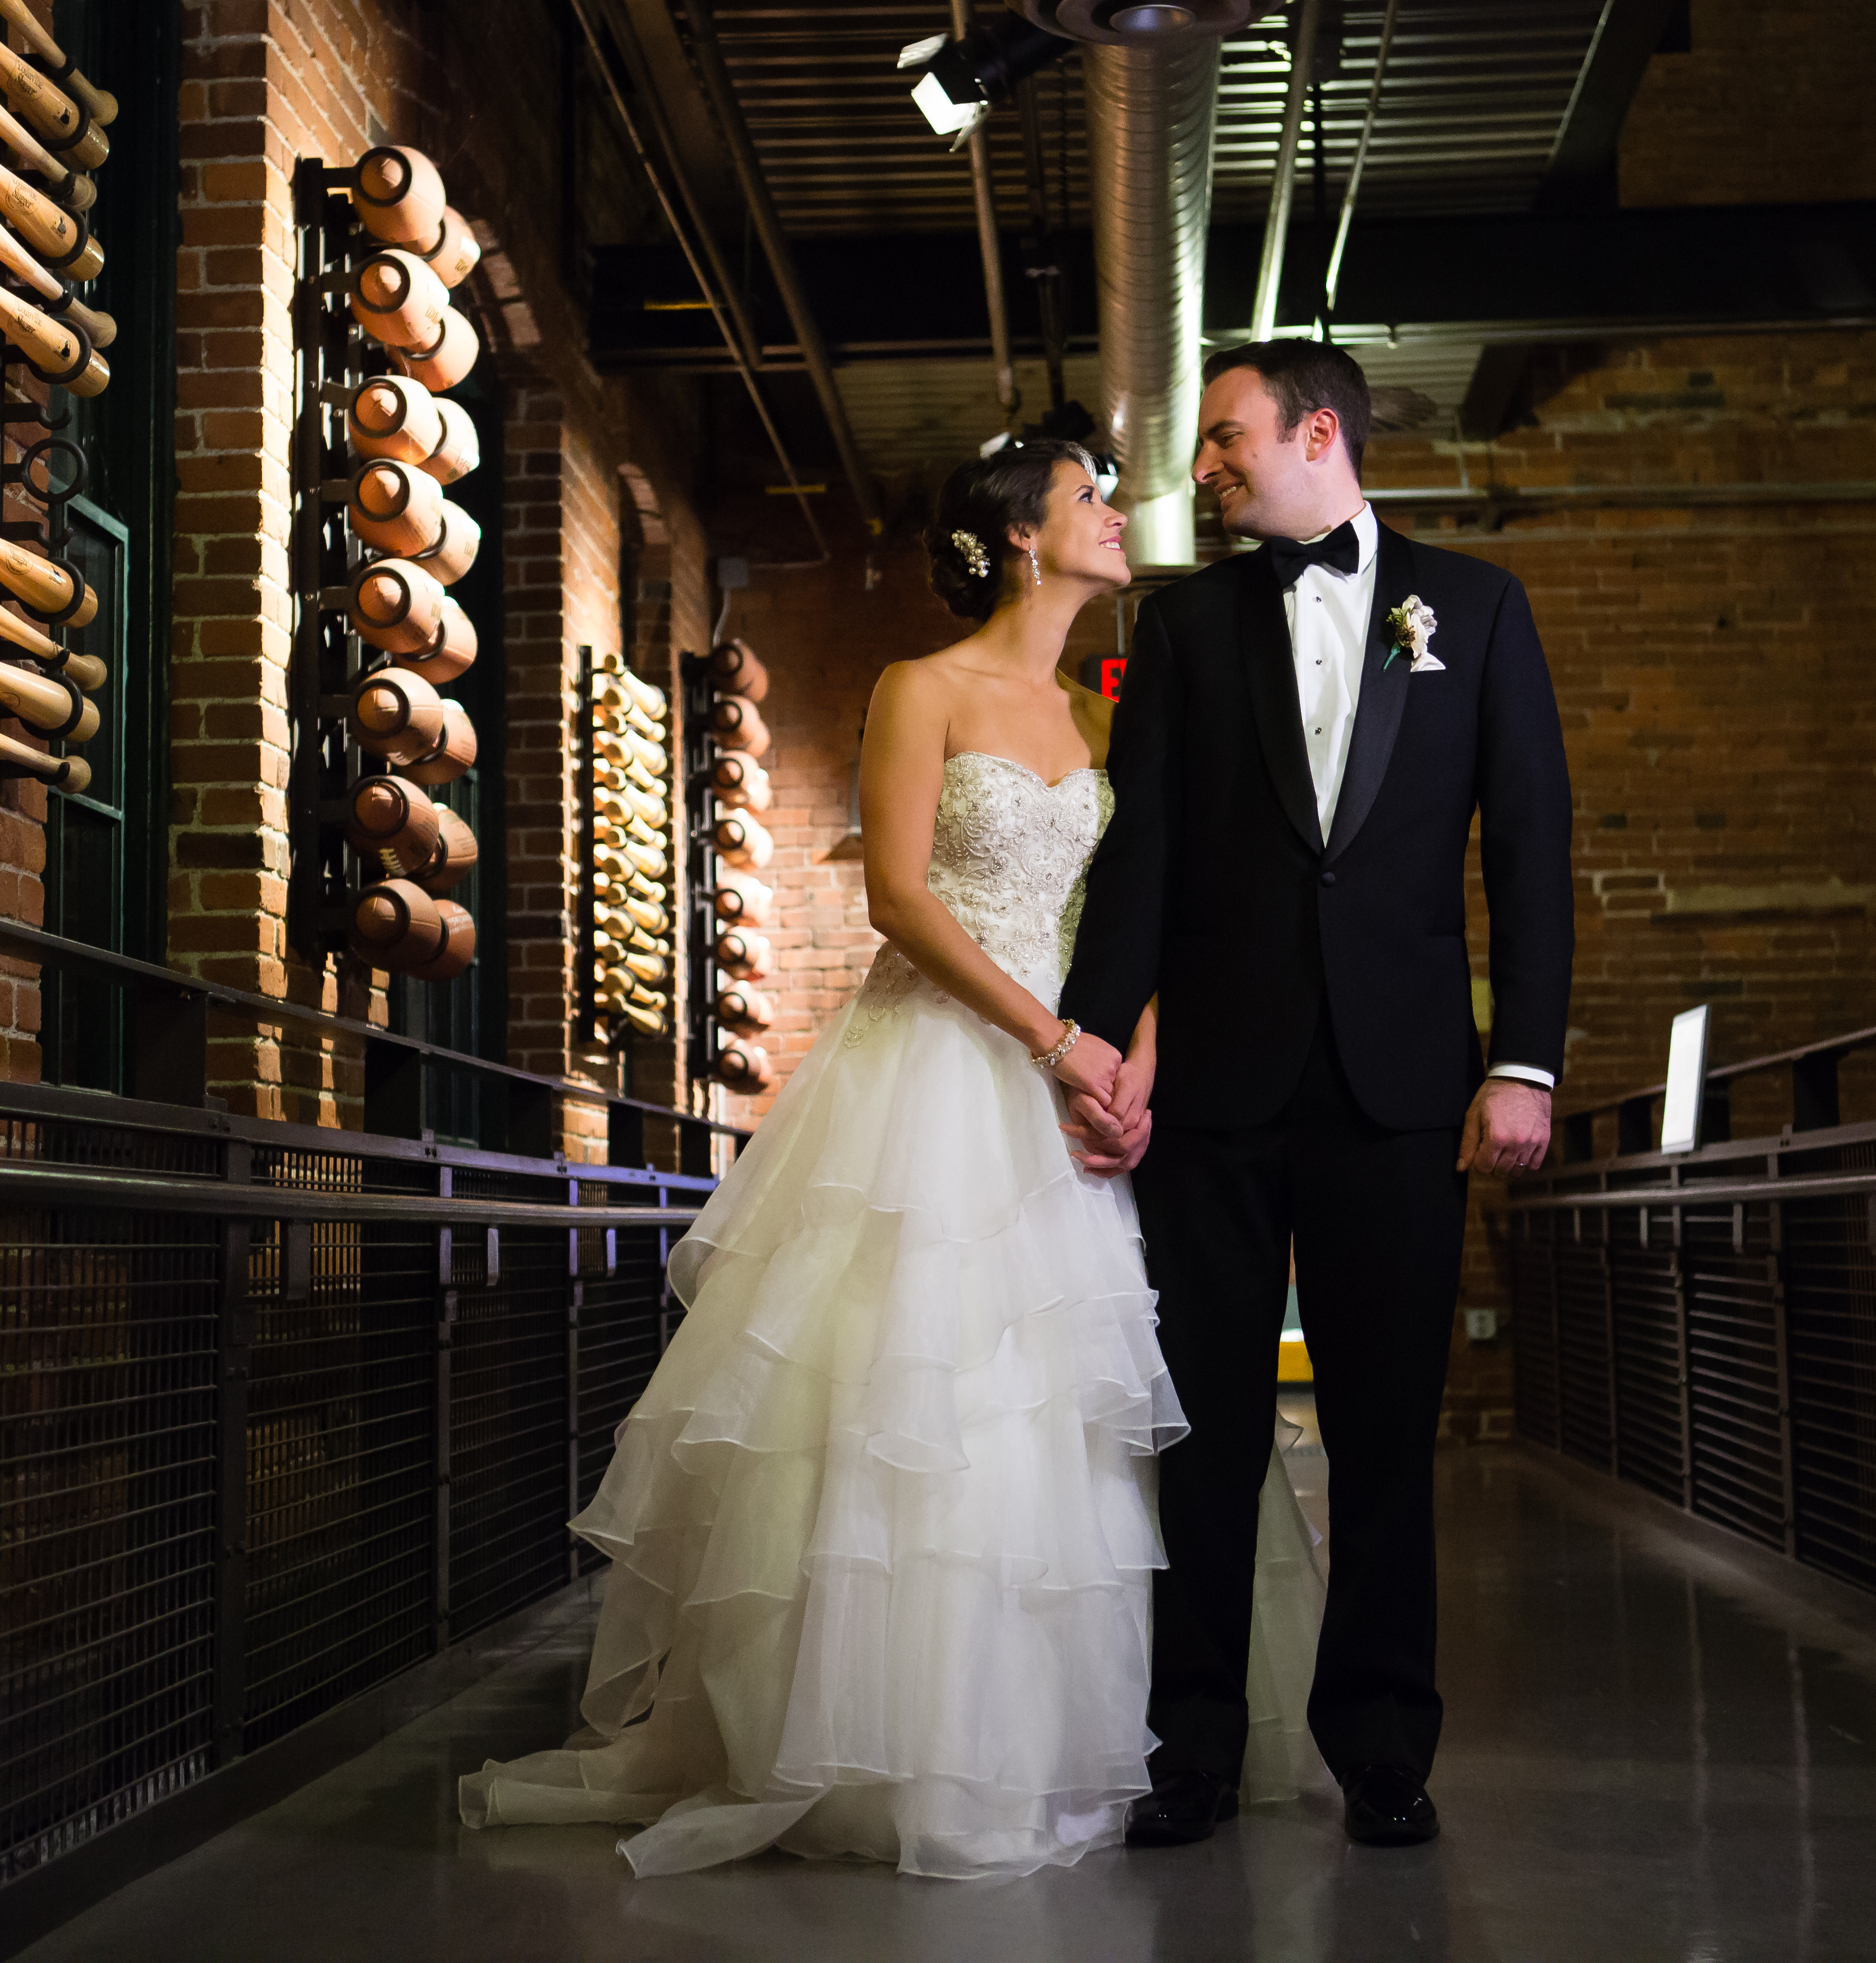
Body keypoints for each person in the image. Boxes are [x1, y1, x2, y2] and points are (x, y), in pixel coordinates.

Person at [460, 443, 1324, 1881]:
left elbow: (1159, 908)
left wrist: (1139, 1065)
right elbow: (906, 898)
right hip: (945, 1077)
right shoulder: (918, 689)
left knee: (1069, 1415)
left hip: (1085, 1097)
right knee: (920, 1399)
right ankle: (890, 1748)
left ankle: (1074, 1735)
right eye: (1092, 498)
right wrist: (1057, 1044)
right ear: (1022, 538)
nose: (1120, 516)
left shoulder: (1108, 720)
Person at [1058, 339, 1574, 1851]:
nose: (1205, 470)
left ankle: (1385, 1749)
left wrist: (1523, 1059)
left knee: (1384, 1432)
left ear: (1318, 434)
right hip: (1214, 1096)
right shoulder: (1182, 626)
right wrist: (1095, 1050)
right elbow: (1139, 855)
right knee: (1202, 1432)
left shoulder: (1475, 609)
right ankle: (1192, 1755)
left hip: (1403, 1093)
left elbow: (1529, 848)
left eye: (1225, 441)